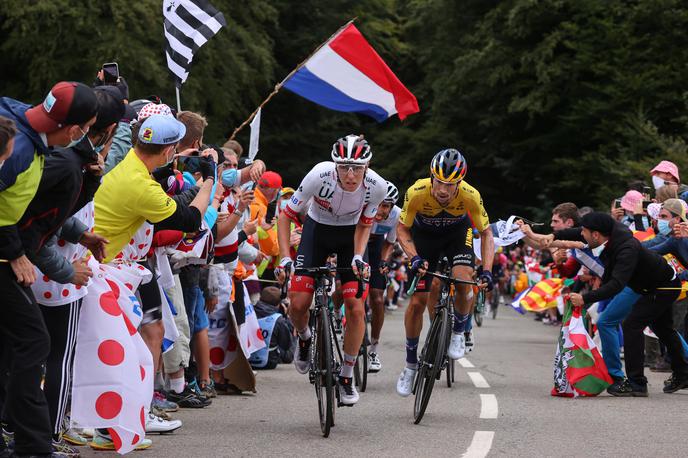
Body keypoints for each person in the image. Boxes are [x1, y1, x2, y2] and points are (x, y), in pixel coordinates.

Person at [0, 81, 98, 456]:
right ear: (75, 131)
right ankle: (34, 446)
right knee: (34, 341)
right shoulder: (22, 149)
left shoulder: (22, 122)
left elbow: (30, 209)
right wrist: (14, 251)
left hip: (8, 252)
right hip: (6, 255)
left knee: (16, 343)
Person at [276, 134, 387, 406]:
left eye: (357, 168)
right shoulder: (318, 175)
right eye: (343, 167)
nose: (350, 175)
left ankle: (347, 375)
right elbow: (285, 216)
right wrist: (283, 257)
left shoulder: (377, 187)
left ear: (368, 165)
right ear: (334, 164)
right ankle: (304, 338)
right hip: (317, 232)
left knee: (356, 307)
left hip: (350, 235)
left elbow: (365, 224)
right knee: (299, 303)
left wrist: (359, 256)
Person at [550, 212, 688, 396]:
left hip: (664, 286)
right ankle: (683, 373)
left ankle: (637, 383)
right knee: (663, 329)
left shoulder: (626, 250)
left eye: (584, 231)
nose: (581, 234)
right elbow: (576, 233)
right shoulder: (609, 233)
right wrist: (554, 236)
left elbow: (616, 285)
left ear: (596, 235)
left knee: (632, 325)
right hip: (650, 285)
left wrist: (585, 298)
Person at [395, 148, 494, 397]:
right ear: (431, 177)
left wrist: (488, 271)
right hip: (424, 238)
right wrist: (413, 257)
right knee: (417, 301)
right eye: (438, 182)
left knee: (462, 280)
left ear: (459, 182)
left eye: (450, 185)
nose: (442, 190)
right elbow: (402, 229)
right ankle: (410, 365)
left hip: (457, 235)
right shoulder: (416, 191)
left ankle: (459, 332)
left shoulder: (471, 195)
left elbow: (487, 233)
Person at [367, 181, 401, 372]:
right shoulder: (361, 205)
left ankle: (373, 349)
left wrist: (383, 262)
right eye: (378, 204)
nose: (380, 210)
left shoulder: (397, 215)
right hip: (356, 242)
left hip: (377, 246)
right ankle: (338, 317)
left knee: (378, 299)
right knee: (342, 288)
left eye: (386, 206)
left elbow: (389, 243)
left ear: (392, 207)